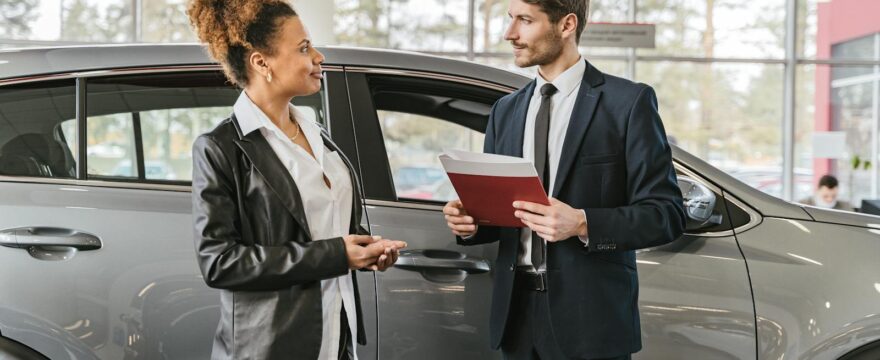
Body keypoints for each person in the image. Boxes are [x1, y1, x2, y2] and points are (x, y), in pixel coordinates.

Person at [443, 0, 685, 359]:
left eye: (525, 20)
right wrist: (470, 223)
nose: (510, 34)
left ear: (567, 25)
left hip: (591, 323)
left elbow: (666, 214)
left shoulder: (628, 103)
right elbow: (503, 220)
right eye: (511, 20)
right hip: (516, 319)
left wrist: (583, 223)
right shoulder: (505, 112)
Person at [188, 1, 406, 359]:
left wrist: (367, 253)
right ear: (262, 63)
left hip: (337, 333)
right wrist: (336, 255)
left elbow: (328, 227)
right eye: (304, 48)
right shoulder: (220, 148)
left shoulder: (317, 134)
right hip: (273, 345)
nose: (318, 56)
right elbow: (219, 262)